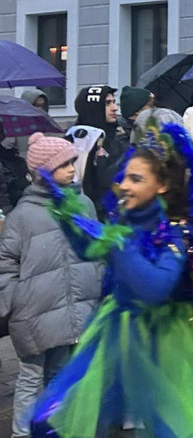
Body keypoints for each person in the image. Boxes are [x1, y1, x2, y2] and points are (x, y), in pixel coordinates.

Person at [29, 116, 193, 436]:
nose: (125, 185)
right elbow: (92, 250)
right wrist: (68, 215)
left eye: (136, 179)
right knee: (49, 419)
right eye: (125, 177)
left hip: (169, 340)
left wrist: (116, 242)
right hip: (118, 331)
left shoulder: (176, 232)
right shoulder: (127, 218)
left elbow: (153, 287)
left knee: (173, 426)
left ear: (160, 185)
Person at [0, 134, 104, 438]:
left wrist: (96, 283)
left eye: (72, 161)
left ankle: (57, 428)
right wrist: (15, 300)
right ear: (44, 171)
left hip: (74, 307)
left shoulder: (82, 204)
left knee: (61, 372)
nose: (72, 169)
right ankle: (22, 432)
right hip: (34, 312)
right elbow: (6, 263)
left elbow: (96, 249)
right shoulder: (24, 215)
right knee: (31, 376)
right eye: (63, 164)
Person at [67, 86, 127, 218]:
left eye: (114, 102)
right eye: (107, 103)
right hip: (90, 215)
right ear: (93, 108)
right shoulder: (78, 140)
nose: (115, 108)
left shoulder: (116, 136)